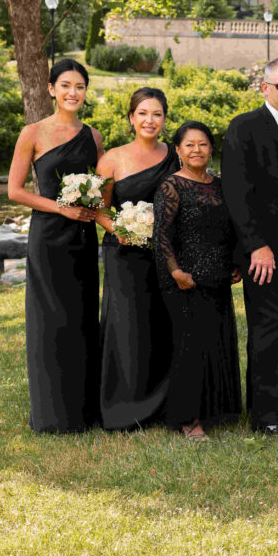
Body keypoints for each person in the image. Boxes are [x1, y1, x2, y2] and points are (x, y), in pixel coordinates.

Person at [8, 59, 104, 433]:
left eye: (79, 86)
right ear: (51, 89)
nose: (72, 93)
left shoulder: (93, 137)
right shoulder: (32, 133)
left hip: (82, 238)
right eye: (65, 85)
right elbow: (15, 191)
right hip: (48, 238)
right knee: (50, 323)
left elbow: (100, 189)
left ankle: (84, 411)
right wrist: (61, 208)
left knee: (81, 319)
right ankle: (51, 415)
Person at [222, 58, 278, 436]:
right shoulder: (244, 127)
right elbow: (236, 192)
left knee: (277, 328)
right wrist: (255, 245)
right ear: (264, 88)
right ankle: (264, 418)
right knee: (267, 328)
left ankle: (270, 403)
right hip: (263, 252)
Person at [95, 87, 180, 430]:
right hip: (124, 254)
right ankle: (124, 408)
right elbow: (98, 209)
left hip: (166, 255)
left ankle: (165, 403)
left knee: (165, 326)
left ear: (164, 118)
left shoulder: (175, 155)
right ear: (131, 118)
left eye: (157, 114)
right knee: (129, 328)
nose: (150, 120)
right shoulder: (112, 158)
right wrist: (120, 229)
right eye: (143, 113)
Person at [154, 121, 242, 441]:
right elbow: (161, 237)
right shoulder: (171, 186)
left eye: (203, 144)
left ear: (211, 149)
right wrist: (176, 271)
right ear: (178, 150)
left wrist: (236, 263)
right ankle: (187, 419)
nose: (196, 150)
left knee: (214, 343)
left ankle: (214, 409)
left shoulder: (219, 184)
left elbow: (230, 229)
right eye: (189, 145)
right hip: (184, 280)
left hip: (217, 277)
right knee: (189, 349)